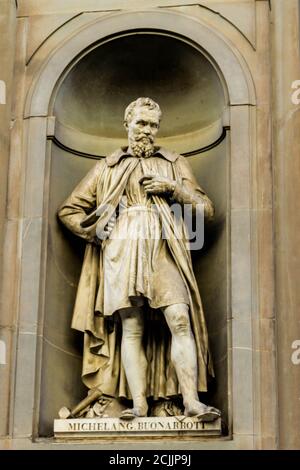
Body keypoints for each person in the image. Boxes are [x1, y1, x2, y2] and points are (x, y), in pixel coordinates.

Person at [58, 97, 220, 422]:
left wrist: (173, 189)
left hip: (164, 244)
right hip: (123, 247)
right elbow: (69, 210)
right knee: (131, 327)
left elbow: (206, 210)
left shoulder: (174, 163)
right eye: (141, 123)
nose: (147, 131)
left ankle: (190, 401)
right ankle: (139, 404)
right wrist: (99, 230)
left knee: (179, 318)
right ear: (127, 124)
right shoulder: (108, 166)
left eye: (153, 125)